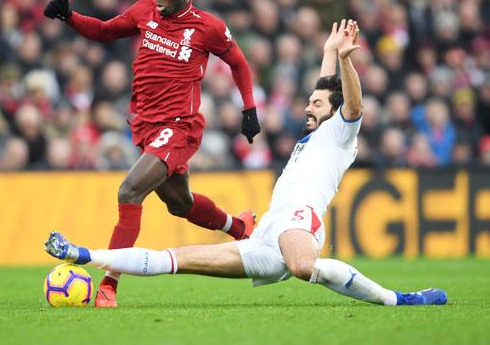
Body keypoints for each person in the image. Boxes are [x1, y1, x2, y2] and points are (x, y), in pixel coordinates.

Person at [45, 20, 447, 306]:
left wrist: (344, 60)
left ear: (334, 111)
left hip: (298, 220)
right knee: (178, 260)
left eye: (316, 104)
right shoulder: (316, 132)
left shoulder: (341, 134)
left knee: (305, 266)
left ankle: (399, 300)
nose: (308, 106)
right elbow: (329, 91)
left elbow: (352, 103)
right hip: (268, 233)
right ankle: (83, 254)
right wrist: (328, 52)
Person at [44, 0, 262, 307]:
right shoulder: (144, 10)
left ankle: (108, 285)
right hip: (146, 125)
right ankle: (239, 228)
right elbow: (103, 31)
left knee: (129, 191)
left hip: (179, 126)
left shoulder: (207, 27)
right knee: (181, 204)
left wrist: (249, 109)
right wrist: (69, 17)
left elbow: (238, 62)